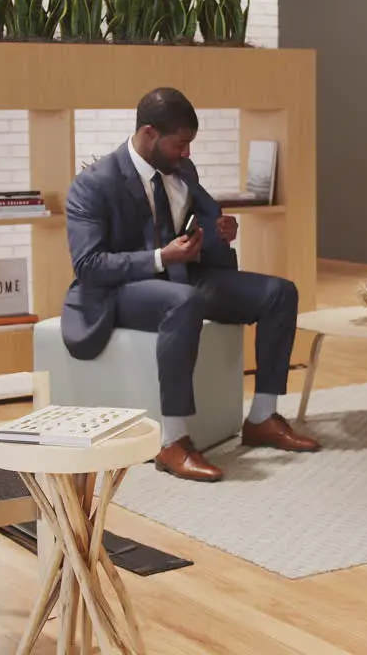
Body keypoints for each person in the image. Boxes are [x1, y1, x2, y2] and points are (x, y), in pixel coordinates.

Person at [61, 86, 321, 482]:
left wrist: (219, 233)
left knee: (279, 293)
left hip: (184, 278)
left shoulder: (182, 171)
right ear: (149, 133)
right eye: (179, 144)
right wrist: (162, 257)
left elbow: (192, 228)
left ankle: (263, 416)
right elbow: (89, 265)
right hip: (121, 289)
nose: (186, 154)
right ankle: (173, 440)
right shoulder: (93, 184)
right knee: (182, 302)